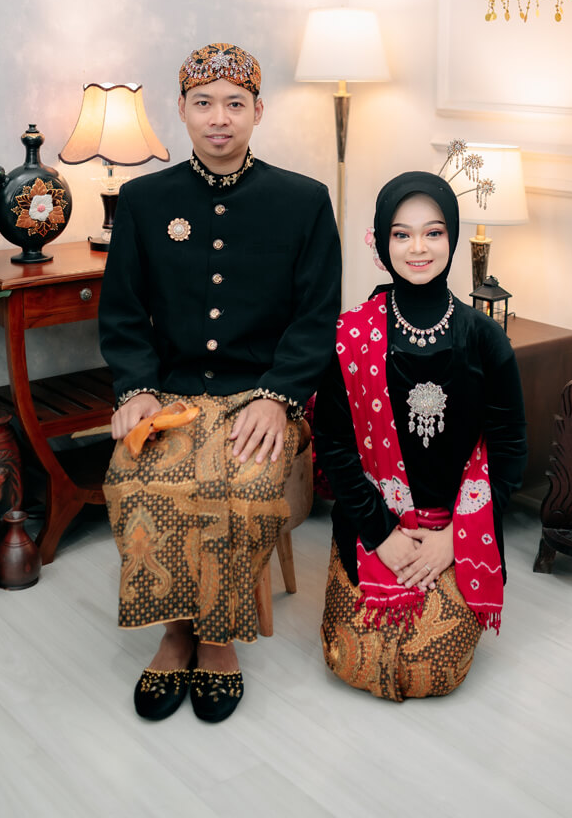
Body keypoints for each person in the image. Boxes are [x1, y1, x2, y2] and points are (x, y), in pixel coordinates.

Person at [99, 42, 341, 724]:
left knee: (244, 485)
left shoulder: (303, 201)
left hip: (260, 393)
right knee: (135, 474)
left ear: (259, 111)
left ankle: (218, 640)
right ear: (181, 109)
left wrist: (278, 396)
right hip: (171, 393)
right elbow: (122, 311)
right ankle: (175, 633)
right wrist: (136, 387)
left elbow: (316, 316)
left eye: (235, 104)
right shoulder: (144, 200)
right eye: (203, 103)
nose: (219, 118)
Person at [314, 171, 527, 702]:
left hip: (457, 528)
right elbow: (334, 446)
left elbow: (509, 449)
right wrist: (382, 534)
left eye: (433, 232)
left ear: (452, 237)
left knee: (432, 666)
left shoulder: (485, 338)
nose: (418, 248)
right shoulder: (351, 335)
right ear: (382, 243)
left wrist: (452, 540)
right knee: (350, 657)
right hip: (373, 521)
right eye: (401, 234)